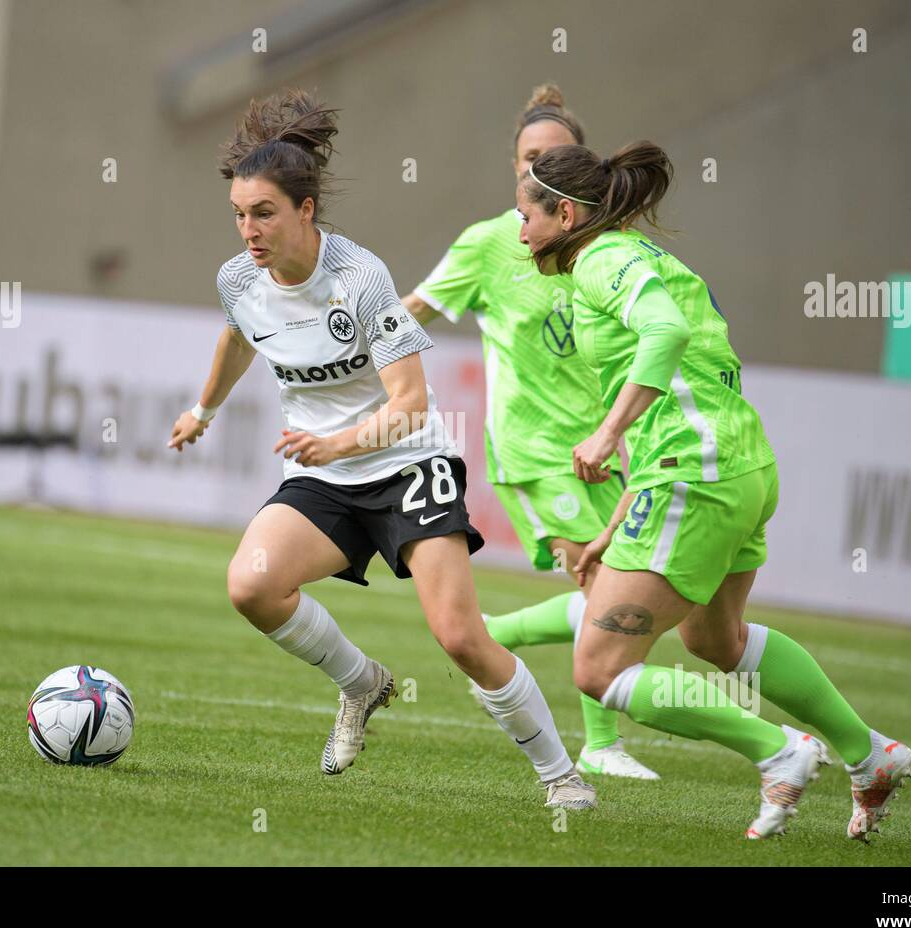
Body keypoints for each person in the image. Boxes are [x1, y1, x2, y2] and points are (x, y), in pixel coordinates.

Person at [168, 89, 596, 809]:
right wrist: (202, 408)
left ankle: (562, 776)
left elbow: (411, 405)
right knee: (252, 585)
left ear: (305, 210)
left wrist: (337, 444)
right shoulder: (238, 278)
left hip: (405, 465)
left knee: (459, 636)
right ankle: (362, 682)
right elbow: (237, 336)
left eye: (264, 213)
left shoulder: (361, 279)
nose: (249, 229)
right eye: (240, 215)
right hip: (325, 473)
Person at [515, 139, 911, 839]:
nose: (519, 228)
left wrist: (608, 434)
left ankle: (780, 752)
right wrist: (617, 522)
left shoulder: (603, 261)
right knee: (718, 640)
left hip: (694, 476)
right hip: (740, 467)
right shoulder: (642, 256)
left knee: (600, 669)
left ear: (568, 212)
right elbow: (688, 371)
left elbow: (666, 333)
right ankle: (868, 753)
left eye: (527, 214)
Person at [403, 84, 658, 781]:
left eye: (547, 157)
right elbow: (414, 311)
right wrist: (346, 340)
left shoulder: (605, 250)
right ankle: (601, 746)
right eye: (524, 158)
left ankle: (478, 639)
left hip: (601, 447)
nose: (531, 169)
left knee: (626, 593)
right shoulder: (492, 243)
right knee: (604, 584)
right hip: (534, 449)